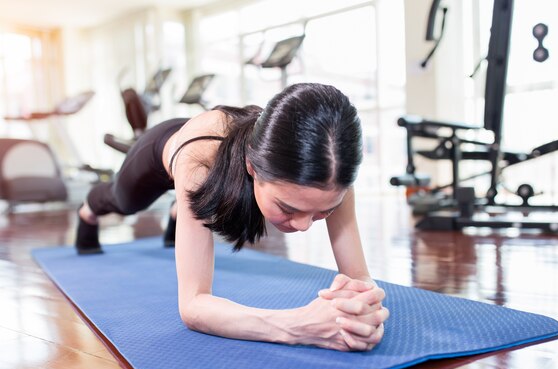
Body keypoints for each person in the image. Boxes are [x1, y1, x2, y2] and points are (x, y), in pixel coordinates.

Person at [76, 83, 389, 351]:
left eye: (323, 211)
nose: (304, 226)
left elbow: (358, 277)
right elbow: (193, 306)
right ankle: (89, 211)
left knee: (202, 204)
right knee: (121, 201)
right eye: (288, 209)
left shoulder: (330, 169)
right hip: (159, 152)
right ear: (253, 168)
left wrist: (362, 307)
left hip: (219, 163)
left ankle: (182, 215)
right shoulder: (199, 164)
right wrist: (297, 326)